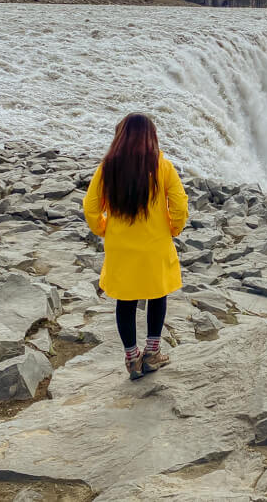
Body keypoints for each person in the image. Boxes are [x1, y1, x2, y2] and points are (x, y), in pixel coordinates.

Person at [83, 113, 189, 380]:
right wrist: (174, 228)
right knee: (157, 295)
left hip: (121, 246)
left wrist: (103, 228)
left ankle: (132, 359)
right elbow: (179, 204)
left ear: (121, 136)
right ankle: (152, 353)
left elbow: (91, 206)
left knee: (126, 301)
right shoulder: (162, 165)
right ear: (151, 137)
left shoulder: (108, 167)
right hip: (155, 244)